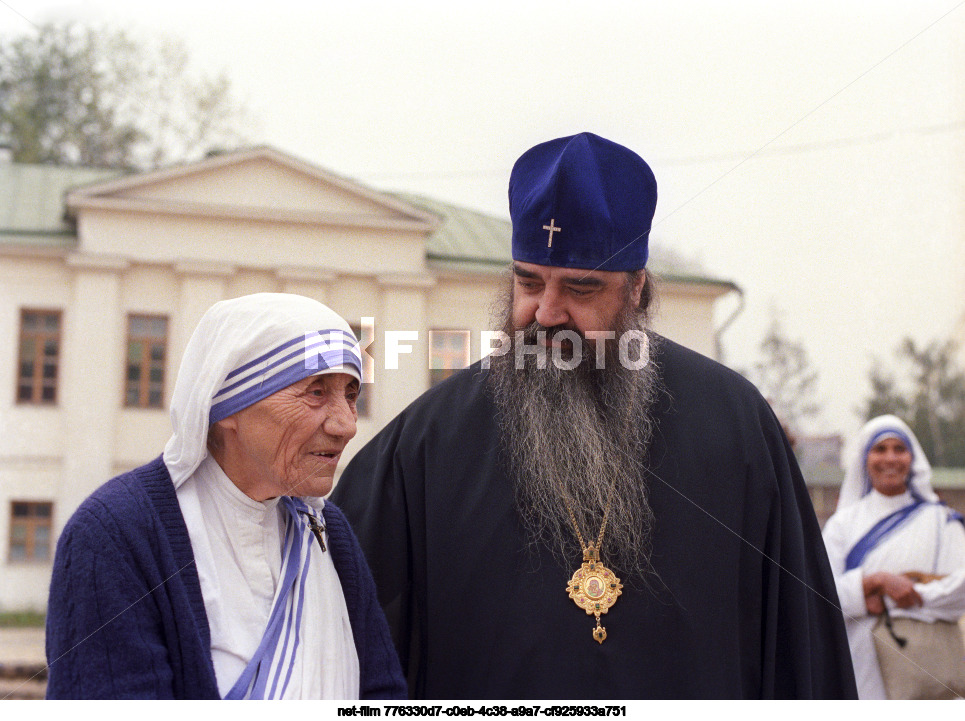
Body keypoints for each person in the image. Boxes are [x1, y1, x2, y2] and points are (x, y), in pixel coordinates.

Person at [330, 132, 857, 699]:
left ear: (637, 289)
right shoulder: (426, 442)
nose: (547, 312)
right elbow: (343, 636)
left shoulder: (735, 424)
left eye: (581, 288)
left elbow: (799, 648)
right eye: (528, 282)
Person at [45, 293, 406, 699]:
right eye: (316, 392)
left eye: (351, 394)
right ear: (226, 404)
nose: (346, 425)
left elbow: (382, 693)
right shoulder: (115, 534)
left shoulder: (328, 531)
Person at [822, 414, 965, 699]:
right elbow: (820, 595)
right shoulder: (842, 525)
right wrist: (874, 581)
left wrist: (887, 597)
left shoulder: (941, 520)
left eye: (899, 449)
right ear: (865, 458)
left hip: (928, 670)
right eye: (880, 449)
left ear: (912, 458)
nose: (890, 458)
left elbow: (959, 591)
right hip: (860, 666)